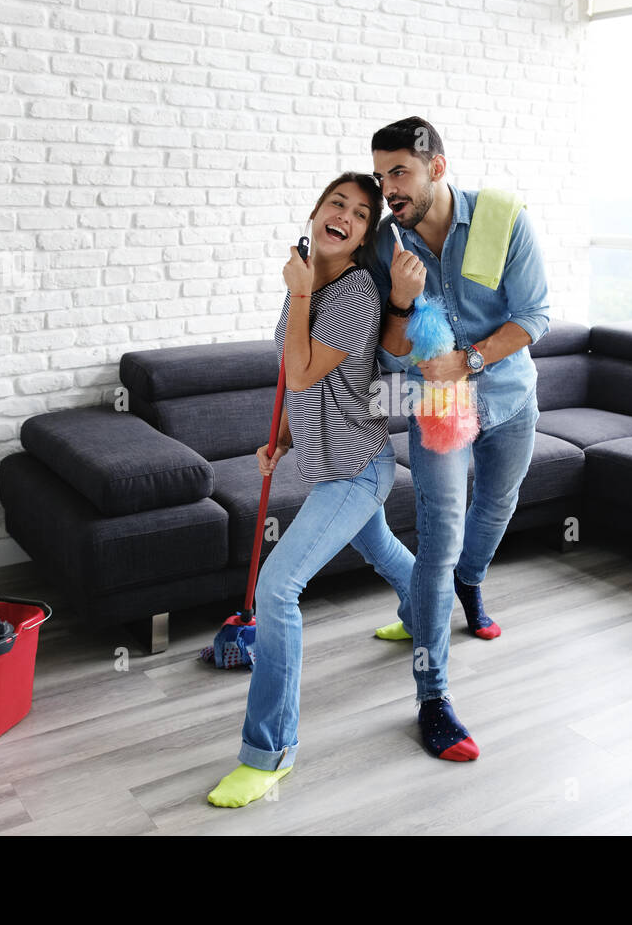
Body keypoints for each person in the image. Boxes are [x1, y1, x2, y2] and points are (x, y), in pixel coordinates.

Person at [207, 172, 417, 807]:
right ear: (316, 212)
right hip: (326, 462)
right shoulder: (306, 281)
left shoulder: (351, 293)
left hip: (359, 468)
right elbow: (307, 384)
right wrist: (285, 440)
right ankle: (429, 607)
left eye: (360, 213)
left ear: (361, 238)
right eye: (336, 204)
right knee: (381, 549)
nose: (345, 216)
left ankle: (269, 752)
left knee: (277, 588)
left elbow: (301, 369)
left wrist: (298, 296)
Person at [367, 115, 551, 760]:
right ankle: (433, 698)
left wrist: (468, 360)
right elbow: (389, 357)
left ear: (436, 168)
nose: (389, 187)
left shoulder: (502, 219)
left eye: (401, 172)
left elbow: (535, 315)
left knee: (499, 504)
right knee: (438, 541)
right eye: (381, 173)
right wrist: (397, 301)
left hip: (507, 398)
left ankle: (471, 585)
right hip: (436, 412)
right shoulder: (387, 245)